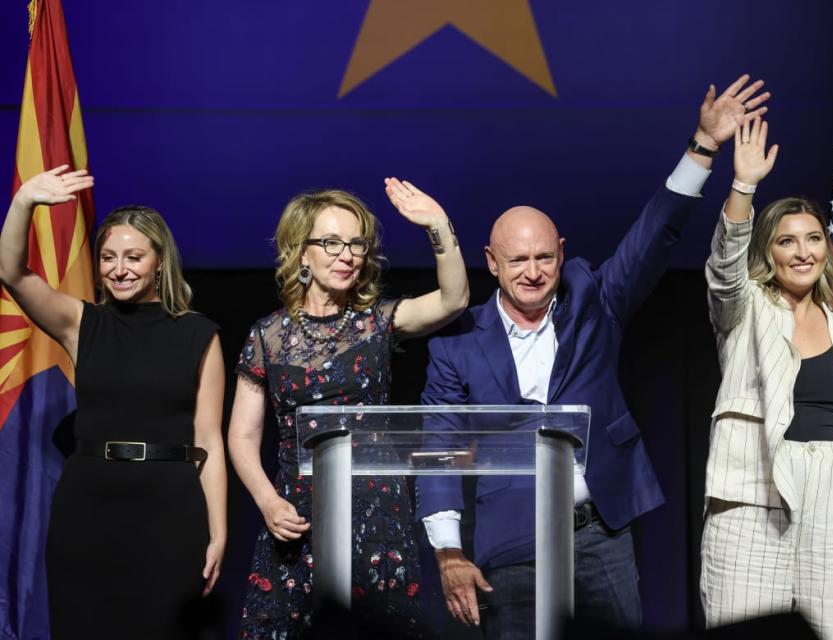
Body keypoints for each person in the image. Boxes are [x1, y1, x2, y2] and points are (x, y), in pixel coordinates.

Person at [415, 75, 770, 638]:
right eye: (517, 262)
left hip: (599, 536)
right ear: (491, 263)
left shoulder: (592, 298)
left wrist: (702, 146)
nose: (532, 273)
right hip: (512, 544)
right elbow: (436, 446)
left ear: (561, 253)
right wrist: (447, 552)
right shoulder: (457, 343)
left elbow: (654, 234)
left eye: (543, 258)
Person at [228, 179, 469, 638]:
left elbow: (453, 300)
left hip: (375, 519)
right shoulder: (268, 337)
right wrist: (266, 501)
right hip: (297, 521)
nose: (347, 255)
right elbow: (241, 435)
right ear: (302, 252)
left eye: (356, 243)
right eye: (332, 242)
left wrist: (438, 225)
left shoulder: (377, 322)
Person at [0, 167, 227, 639]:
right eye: (108, 257)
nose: (119, 268)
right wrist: (23, 201)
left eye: (133, 256)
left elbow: (209, 441)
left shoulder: (198, 334)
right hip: (89, 511)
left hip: (171, 512)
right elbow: (13, 273)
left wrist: (219, 530)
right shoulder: (81, 323)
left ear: (160, 261)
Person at [698, 117, 833, 639]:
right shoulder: (746, 308)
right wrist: (744, 186)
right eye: (787, 241)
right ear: (768, 253)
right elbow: (724, 270)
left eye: (814, 239)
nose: (803, 252)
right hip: (754, 497)